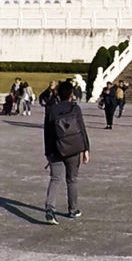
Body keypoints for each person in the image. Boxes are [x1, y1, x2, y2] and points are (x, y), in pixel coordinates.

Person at [43, 79, 90, 225]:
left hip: (55, 149)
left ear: (58, 93)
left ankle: (50, 209)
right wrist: (86, 149)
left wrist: (48, 152)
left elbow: (47, 133)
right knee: (72, 179)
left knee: (55, 179)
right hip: (73, 149)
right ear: (71, 94)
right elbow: (82, 130)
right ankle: (73, 209)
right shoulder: (75, 109)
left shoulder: (52, 110)